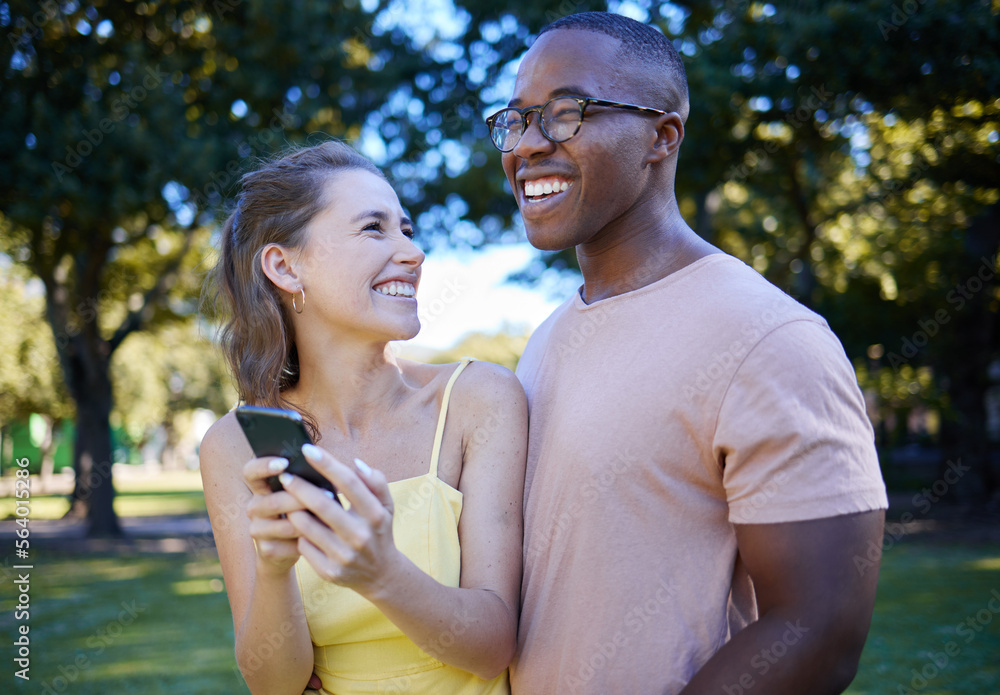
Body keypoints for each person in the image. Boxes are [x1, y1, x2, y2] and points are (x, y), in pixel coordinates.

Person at [484, 11, 888, 694]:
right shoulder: (549, 336)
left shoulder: (769, 337)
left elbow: (819, 628)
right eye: (517, 118)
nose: (527, 144)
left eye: (564, 113)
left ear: (660, 136)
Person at [198, 141, 527, 695]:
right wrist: (276, 569)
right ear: (284, 265)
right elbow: (274, 684)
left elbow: (494, 646)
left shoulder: (479, 399)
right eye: (374, 229)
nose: (413, 254)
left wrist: (384, 574)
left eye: (407, 228)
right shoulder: (233, 445)